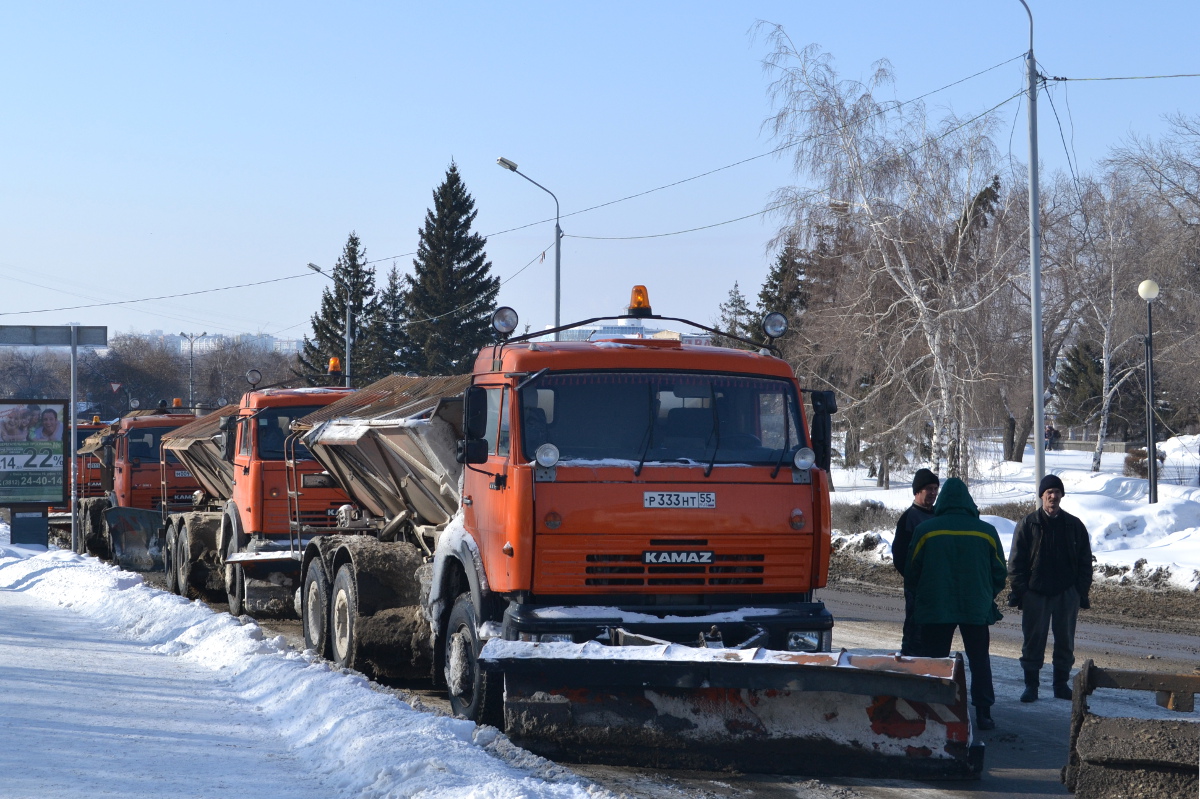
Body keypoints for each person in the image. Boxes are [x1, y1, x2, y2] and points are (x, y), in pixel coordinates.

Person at [906, 477, 1007, 731]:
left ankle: (932, 708)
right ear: (968, 501)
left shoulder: (926, 530)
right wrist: (985, 594)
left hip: (936, 608)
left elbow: (912, 571)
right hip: (975, 607)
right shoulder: (986, 532)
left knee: (935, 660)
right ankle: (984, 713)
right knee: (980, 660)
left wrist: (923, 596)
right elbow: (1000, 573)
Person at [1007, 474, 1093, 702]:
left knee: (1065, 641)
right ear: (1042, 496)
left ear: (1062, 496)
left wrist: (1078, 591)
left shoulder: (1074, 525)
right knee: (1033, 641)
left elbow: (1085, 560)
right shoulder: (1027, 524)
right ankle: (1031, 686)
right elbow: (1015, 563)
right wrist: (1023, 591)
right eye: (1049, 493)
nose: (1053, 497)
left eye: (1057, 492)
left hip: (1067, 593)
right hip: (1035, 594)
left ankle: (1060, 685)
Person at [892, 468, 939, 655]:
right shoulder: (909, 518)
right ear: (917, 491)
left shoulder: (938, 515)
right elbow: (899, 555)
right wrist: (914, 578)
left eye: (936, 488)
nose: (933, 493)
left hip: (936, 586)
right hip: (917, 586)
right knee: (914, 629)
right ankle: (909, 662)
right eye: (929, 488)